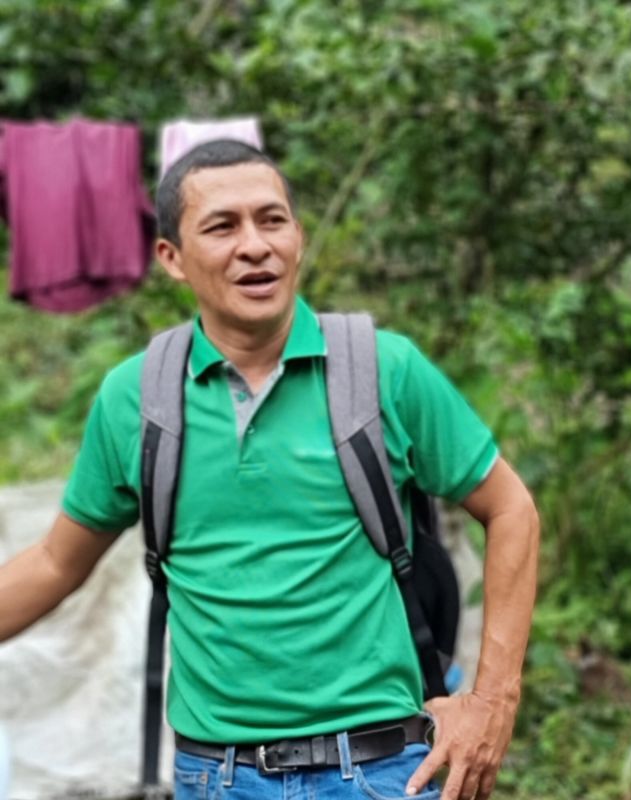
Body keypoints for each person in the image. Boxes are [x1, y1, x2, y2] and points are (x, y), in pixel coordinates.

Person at [0, 140, 540, 800]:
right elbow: (58, 561)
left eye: (272, 219)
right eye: (222, 227)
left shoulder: (382, 371)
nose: (255, 245)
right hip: (216, 777)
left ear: (298, 237)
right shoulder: (137, 398)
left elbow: (511, 509)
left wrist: (492, 703)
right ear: (171, 257)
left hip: (380, 771)